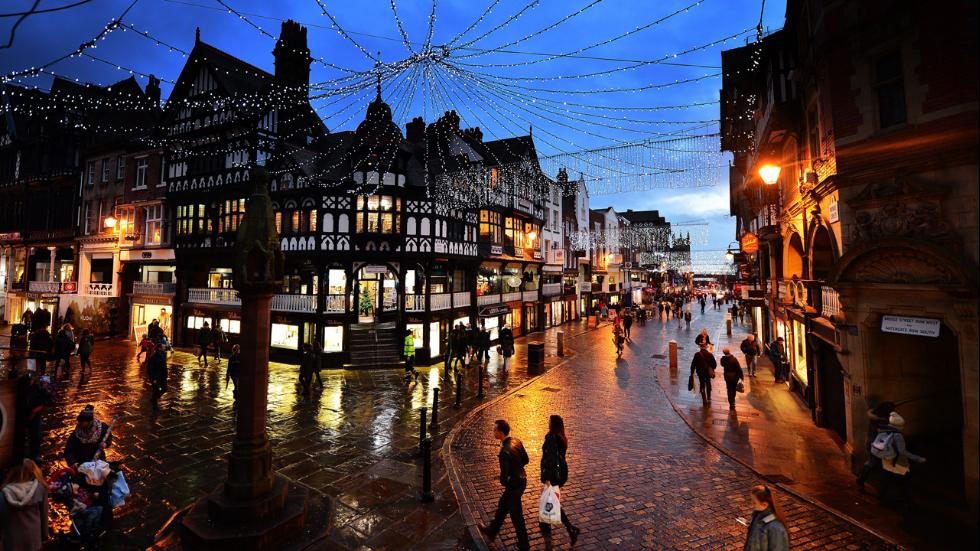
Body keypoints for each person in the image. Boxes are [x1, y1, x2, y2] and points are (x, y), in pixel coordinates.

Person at [478, 420, 530, 551]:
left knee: (516, 516)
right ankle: (492, 530)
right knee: (502, 506)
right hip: (521, 481)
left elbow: (504, 476)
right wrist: (517, 467)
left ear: (500, 432)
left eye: (494, 430)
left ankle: (524, 546)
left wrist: (506, 480)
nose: (493, 432)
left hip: (514, 485)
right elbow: (526, 460)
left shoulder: (504, 452)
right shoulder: (517, 441)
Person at [857, 411, 926, 503]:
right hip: (893, 459)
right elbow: (902, 451)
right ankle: (907, 501)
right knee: (904, 479)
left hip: (884, 457)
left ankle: (881, 494)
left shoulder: (883, 429)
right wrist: (917, 458)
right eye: (902, 425)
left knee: (888, 477)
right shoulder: (898, 435)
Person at [539, 415, 579, 545]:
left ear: (553, 424)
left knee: (552, 501)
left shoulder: (551, 437)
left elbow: (550, 459)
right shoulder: (562, 437)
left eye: (549, 422)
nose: (548, 423)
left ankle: (569, 529)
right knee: (550, 500)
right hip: (561, 473)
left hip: (553, 475)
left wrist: (548, 479)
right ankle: (547, 525)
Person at [0, 458, 49, 551]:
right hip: (34, 539)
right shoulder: (40, 489)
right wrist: (44, 535)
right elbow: (44, 514)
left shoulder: (4, 494)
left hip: (12, 540)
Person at [15, 371, 52, 463]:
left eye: (32, 379)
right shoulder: (20, 389)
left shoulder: (36, 387)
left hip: (35, 415)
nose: (32, 381)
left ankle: (35, 455)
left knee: (35, 436)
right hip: (22, 415)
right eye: (30, 379)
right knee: (20, 437)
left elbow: (47, 399)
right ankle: (19, 456)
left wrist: (46, 390)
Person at [743, 485, 790, 551]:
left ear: (765, 504)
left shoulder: (775, 528)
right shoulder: (757, 515)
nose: (752, 504)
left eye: (754, 502)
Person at [147, 343, 168, 411]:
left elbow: (164, 366)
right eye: (163, 347)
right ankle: (155, 405)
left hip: (163, 376)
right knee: (156, 390)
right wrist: (153, 378)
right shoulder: (153, 357)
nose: (165, 348)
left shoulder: (163, 355)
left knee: (165, 388)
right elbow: (150, 369)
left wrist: (166, 375)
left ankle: (154, 398)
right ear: (159, 348)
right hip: (156, 377)